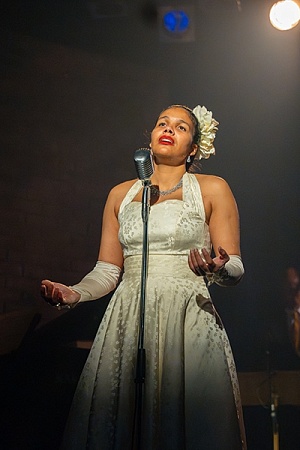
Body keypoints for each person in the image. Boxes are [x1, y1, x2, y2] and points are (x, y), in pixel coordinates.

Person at [41, 104, 247, 449]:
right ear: (151, 138)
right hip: (129, 318)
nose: (169, 129)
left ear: (194, 148)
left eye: (181, 127)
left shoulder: (214, 189)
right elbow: (108, 270)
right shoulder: (120, 195)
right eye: (162, 123)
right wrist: (74, 293)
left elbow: (236, 267)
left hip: (188, 318)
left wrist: (218, 267)